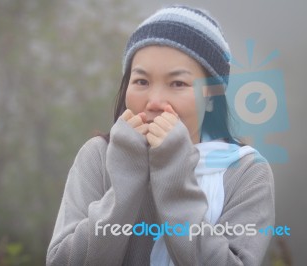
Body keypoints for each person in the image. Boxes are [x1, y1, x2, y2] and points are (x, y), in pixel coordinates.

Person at [46, 5, 275, 266]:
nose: (154, 101)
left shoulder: (245, 171)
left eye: (178, 83)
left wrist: (173, 174)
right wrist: (127, 177)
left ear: (211, 95)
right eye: (141, 81)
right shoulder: (98, 156)